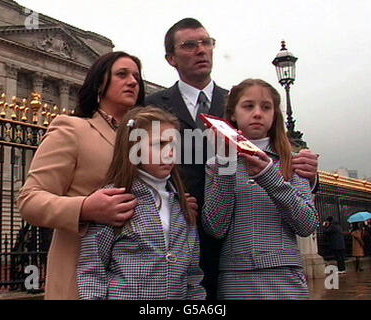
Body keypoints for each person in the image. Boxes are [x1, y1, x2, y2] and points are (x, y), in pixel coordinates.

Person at [146, 18, 320, 299]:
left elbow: (281, 155)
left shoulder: (238, 101)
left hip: (241, 247)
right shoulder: (152, 106)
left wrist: (309, 175)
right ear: (171, 58)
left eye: (206, 42)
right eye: (190, 45)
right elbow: (143, 165)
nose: (201, 50)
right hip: (180, 236)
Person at [17, 51, 145, 299]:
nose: (132, 82)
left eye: (137, 77)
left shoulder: (145, 139)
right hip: (83, 271)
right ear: (99, 83)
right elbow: (29, 200)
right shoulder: (72, 128)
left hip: (138, 277)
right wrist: (85, 208)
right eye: (122, 74)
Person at [202, 79, 319, 300]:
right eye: (248, 106)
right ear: (233, 114)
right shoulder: (216, 163)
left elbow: (307, 224)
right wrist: (227, 164)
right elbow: (215, 227)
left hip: (285, 276)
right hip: (236, 277)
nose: (257, 113)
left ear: (274, 115)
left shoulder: (292, 162)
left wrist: (268, 176)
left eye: (266, 107)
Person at [76, 107, 205, 299]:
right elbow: (92, 270)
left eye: (174, 145)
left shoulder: (181, 204)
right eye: (159, 144)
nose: (169, 153)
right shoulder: (111, 201)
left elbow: (192, 274)